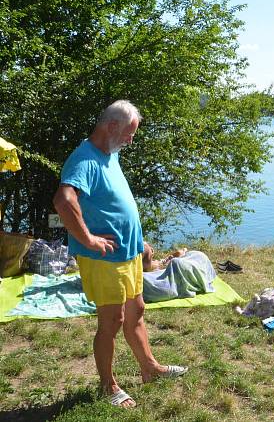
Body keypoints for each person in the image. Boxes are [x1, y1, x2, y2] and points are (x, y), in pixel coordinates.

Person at [53, 101, 186, 409]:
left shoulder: (109, 154)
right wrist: (88, 239)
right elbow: (63, 199)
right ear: (111, 126)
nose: (130, 140)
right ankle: (107, 385)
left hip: (127, 253)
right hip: (104, 259)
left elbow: (116, 204)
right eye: (129, 133)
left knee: (136, 312)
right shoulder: (84, 158)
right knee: (112, 321)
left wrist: (139, 241)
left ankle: (149, 368)